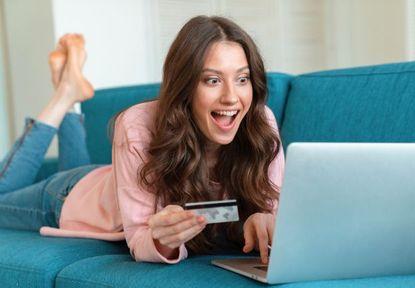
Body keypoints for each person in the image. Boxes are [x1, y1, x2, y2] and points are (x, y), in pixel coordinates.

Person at [0, 15, 284, 265]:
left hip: (109, 180)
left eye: (242, 79)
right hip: (70, 197)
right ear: (184, 86)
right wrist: (164, 239)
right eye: (212, 80)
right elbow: (139, 238)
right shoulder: (137, 124)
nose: (231, 97)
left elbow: (277, 217)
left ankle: (70, 91)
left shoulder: (260, 123)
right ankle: (63, 98)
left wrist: (266, 220)